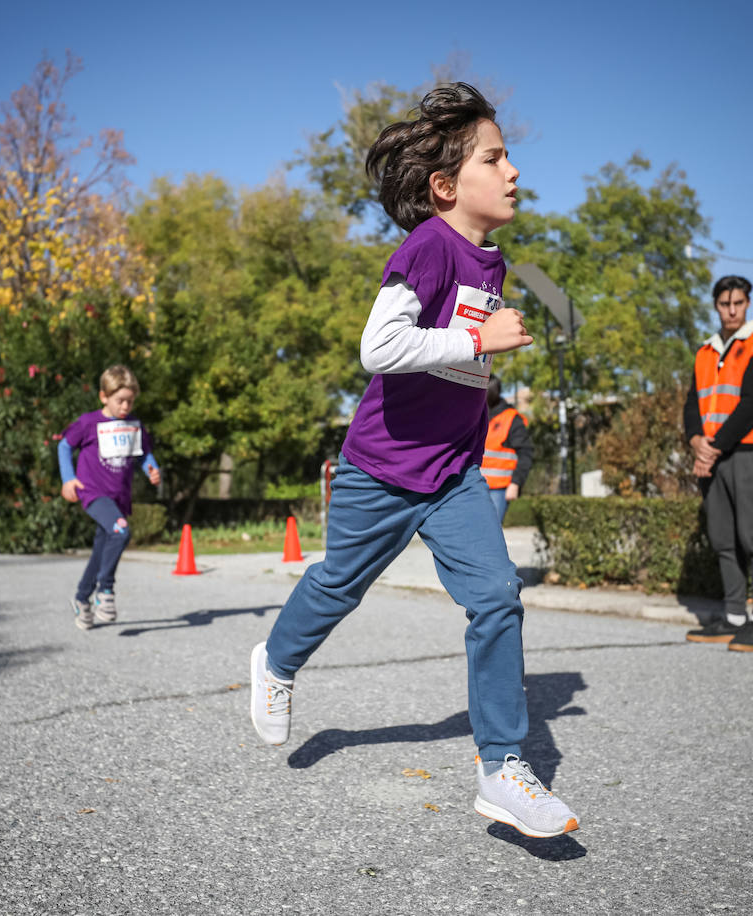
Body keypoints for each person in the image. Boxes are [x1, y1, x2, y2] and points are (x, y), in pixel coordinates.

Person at [247, 83, 579, 840]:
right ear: (445, 185)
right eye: (495, 159)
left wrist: (487, 349)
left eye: (509, 158)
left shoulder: (492, 260)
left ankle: (502, 769)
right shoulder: (428, 246)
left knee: (497, 595)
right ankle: (276, 663)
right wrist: (479, 341)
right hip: (382, 466)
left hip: (453, 472)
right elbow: (380, 349)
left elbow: (458, 363)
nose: (513, 171)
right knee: (337, 584)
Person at [682, 276, 753, 653]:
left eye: (738, 303)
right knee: (722, 538)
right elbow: (692, 403)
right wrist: (696, 440)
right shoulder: (705, 351)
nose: (731, 310)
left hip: (748, 452)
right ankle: (733, 616)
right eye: (725, 304)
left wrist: (712, 448)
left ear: (746, 304)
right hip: (713, 454)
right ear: (715, 305)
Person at [58, 365, 161, 631]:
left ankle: (82, 598)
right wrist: (68, 478)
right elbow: (64, 445)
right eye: (120, 400)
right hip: (93, 492)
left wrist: (152, 468)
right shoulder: (89, 423)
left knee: (102, 549)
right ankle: (106, 590)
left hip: (119, 496)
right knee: (121, 532)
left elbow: (143, 454)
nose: (126, 406)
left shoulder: (134, 426)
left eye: (130, 400)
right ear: (104, 397)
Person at [482, 374, 533, 523]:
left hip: (499, 489)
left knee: (490, 534)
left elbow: (526, 454)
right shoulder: (477, 416)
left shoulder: (512, 419)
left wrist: (515, 483)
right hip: (473, 487)